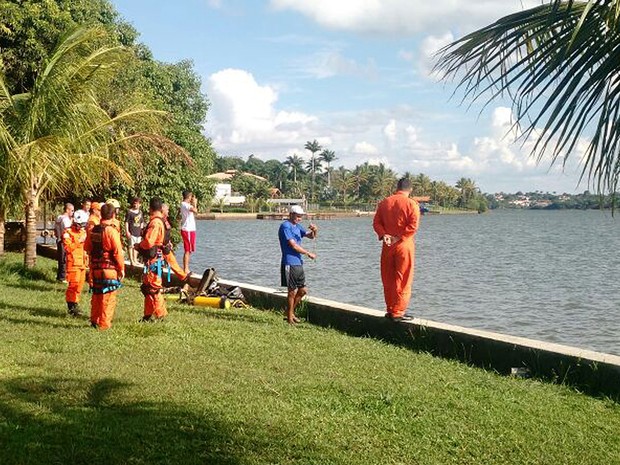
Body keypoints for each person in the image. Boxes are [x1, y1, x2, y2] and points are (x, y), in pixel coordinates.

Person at [372, 177, 421, 322]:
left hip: (387, 245)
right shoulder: (412, 204)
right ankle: (398, 311)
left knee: (388, 278)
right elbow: (413, 226)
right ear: (410, 189)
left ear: (397, 187)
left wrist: (384, 234)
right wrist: (398, 237)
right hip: (403, 244)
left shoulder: (385, 202)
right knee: (403, 278)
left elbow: (376, 222)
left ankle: (390, 309)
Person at [85, 203, 125, 330]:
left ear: (101, 214)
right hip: (109, 269)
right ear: (113, 215)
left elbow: (87, 247)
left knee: (96, 295)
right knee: (108, 297)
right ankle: (104, 325)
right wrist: (122, 268)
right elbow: (118, 252)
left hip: (95, 268)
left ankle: (94, 320)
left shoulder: (93, 230)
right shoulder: (111, 231)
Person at [278, 205, 317, 325]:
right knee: (291, 291)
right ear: (291, 214)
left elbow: (311, 236)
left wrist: (315, 230)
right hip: (289, 262)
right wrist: (307, 253)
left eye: (301, 217)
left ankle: (289, 312)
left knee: (303, 290)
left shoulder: (297, 226)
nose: (299, 218)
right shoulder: (286, 226)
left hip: (298, 263)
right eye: (297, 216)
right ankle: (290, 318)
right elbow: (293, 245)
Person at [137, 197, 168, 322]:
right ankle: (148, 315)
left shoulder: (155, 223)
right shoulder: (160, 221)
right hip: (154, 259)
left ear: (150, 208)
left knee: (153, 288)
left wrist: (139, 246)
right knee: (147, 287)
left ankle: (160, 315)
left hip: (153, 259)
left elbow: (149, 241)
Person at [63, 210, 89, 317]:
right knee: (73, 285)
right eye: (81, 225)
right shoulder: (67, 233)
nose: (82, 227)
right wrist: (79, 241)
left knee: (79, 286)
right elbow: (68, 248)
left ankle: (76, 304)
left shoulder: (83, 232)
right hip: (73, 264)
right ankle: (71, 307)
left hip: (82, 263)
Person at [162, 203, 188, 282]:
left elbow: (166, 233)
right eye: (167, 210)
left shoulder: (165, 219)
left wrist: (169, 241)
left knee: (172, 262)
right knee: (168, 263)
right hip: (161, 247)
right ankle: (183, 277)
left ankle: (184, 277)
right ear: (162, 210)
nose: (168, 211)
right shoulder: (159, 220)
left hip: (166, 245)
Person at [54, 203, 74, 282]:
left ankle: (59, 276)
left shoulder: (59, 217)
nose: (73, 212)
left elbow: (55, 229)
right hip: (64, 240)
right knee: (64, 259)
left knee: (60, 259)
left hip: (58, 239)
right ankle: (62, 277)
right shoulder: (66, 219)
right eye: (72, 210)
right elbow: (68, 230)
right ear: (67, 210)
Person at [180, 190, 197, 274]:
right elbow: (195, 210)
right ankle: (186, 268)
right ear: (189, 197)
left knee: (189, 250)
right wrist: (195, 203)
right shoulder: (185, 204)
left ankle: (187, 268)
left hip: (191, 229)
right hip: (187, 230)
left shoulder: (187, 205)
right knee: (187, 250)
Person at [124, 197, 144, 266]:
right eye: (135, 203)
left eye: (137, 203)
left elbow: (142, 222)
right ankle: (131, 260)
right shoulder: (129, 212)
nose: (136, 205)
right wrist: (127, 231)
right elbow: (126, 222)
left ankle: (135, 259)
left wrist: (142, 231)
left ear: (140, 204)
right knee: (130, 246)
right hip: (131, 232)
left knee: (137, 247)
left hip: (138, 232)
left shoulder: (140, 212)